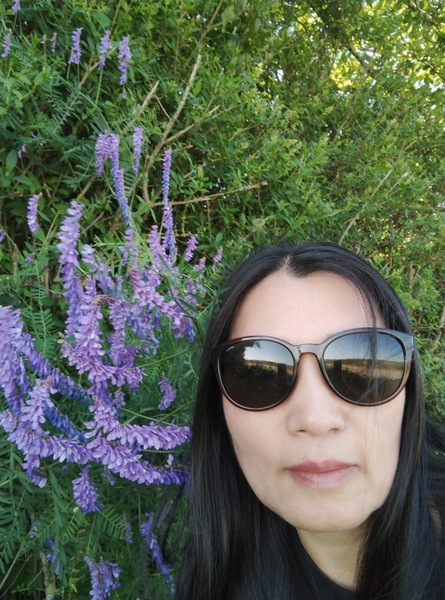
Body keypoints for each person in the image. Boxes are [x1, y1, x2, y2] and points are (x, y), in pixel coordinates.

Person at [175, 241, 445, 600]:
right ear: (219, 410)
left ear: (408, 395)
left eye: (364, 369)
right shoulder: (215, 575)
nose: (316, 418)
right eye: (258, 375)